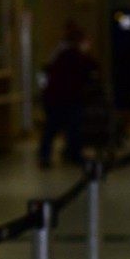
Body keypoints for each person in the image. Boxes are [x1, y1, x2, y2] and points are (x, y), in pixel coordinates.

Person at [39, 20, 98, 168]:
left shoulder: (60, 52)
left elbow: (47, 69)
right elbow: (91, 68)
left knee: (54, 127)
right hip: (66, 97)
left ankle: (49, 155)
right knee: (68, 126)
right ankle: (71, 154)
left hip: (57, 97)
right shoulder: (74, 55)